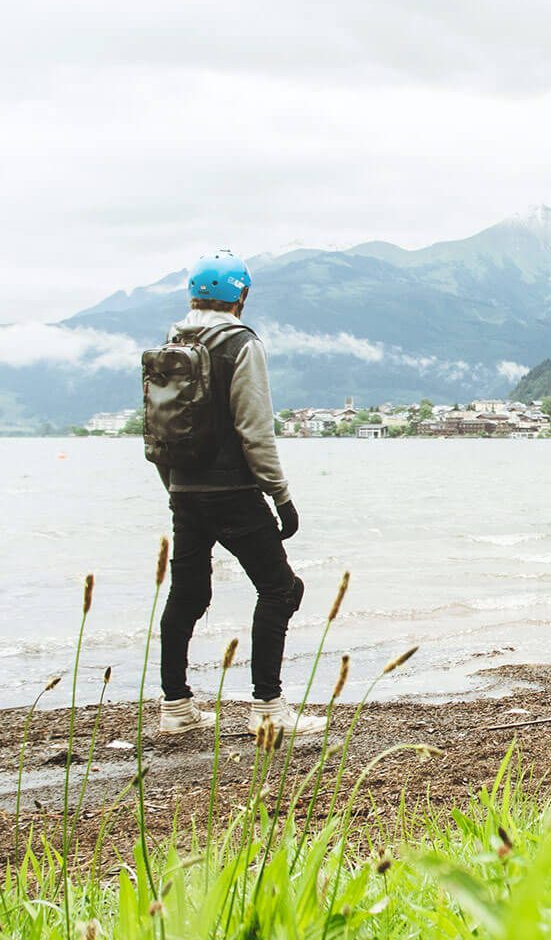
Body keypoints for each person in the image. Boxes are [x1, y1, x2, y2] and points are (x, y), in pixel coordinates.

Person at [152, 250, 326, 737]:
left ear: (192, 294)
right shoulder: (240, 344)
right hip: (232, 491)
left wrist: (174, 489)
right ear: (241, 297)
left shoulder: (170, 344)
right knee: (281, 589)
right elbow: (255, 430)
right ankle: (268, 708)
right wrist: (281, 496)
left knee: (187, 594)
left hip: (183, 488)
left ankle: (176, 707)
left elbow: (158, 428)